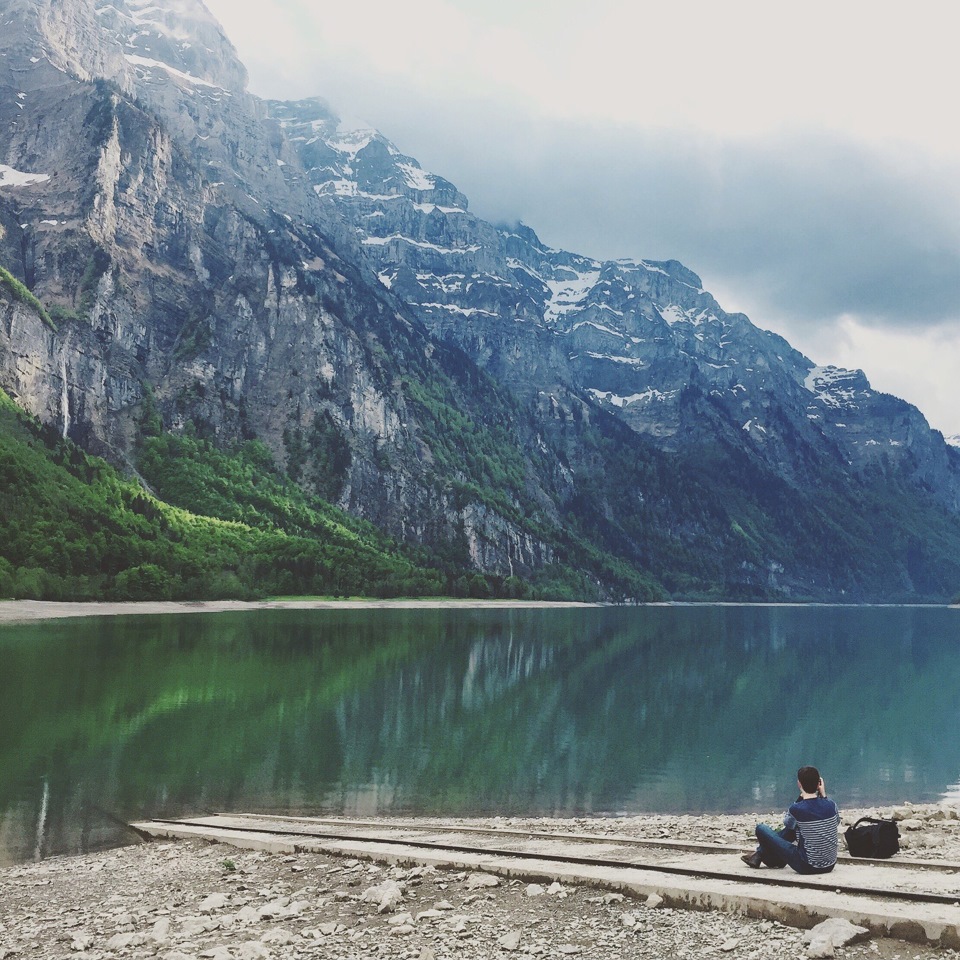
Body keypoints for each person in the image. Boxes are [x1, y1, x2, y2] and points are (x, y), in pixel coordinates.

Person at [741, 766, 840, 874]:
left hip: (807, 865)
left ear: (799, 784)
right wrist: (823, 795)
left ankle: (760, 854)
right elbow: (836, 822)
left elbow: (787, 824)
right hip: (830, 865)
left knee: (761, 829)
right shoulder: (831, 805)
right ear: (818, 784)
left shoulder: (797, 809)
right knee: (796, 827)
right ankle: (761, 857)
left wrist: (800, 798)